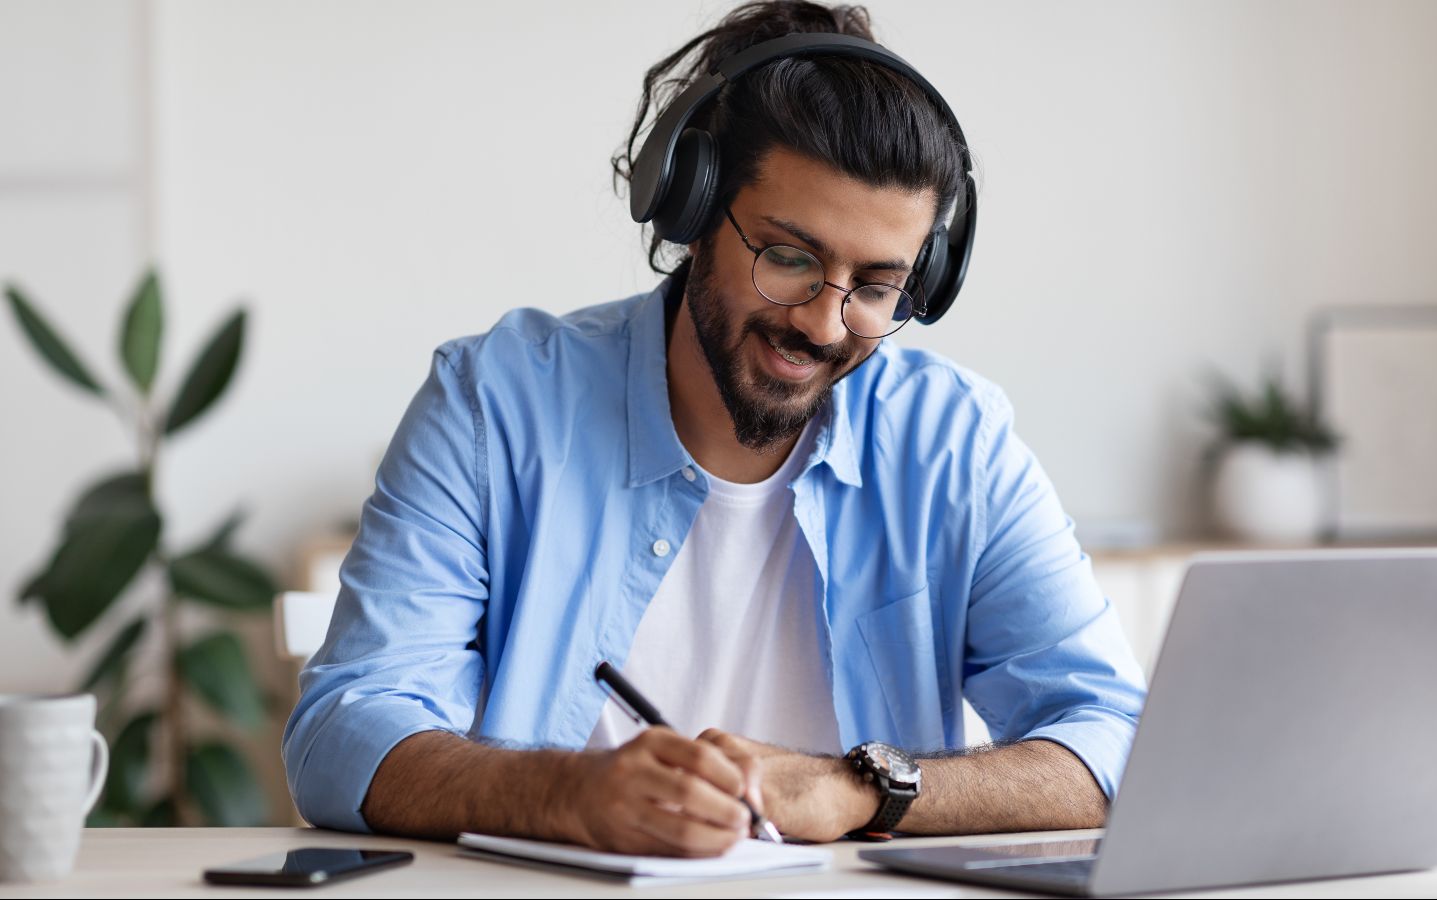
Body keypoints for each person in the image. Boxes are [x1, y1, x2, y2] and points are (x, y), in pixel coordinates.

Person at [284, 0, 1145, 858]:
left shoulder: (955, 442)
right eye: (790, 258)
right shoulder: (493, 405)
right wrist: (570, 795)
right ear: (690, 213)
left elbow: (1115, 738)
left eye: (877, 287)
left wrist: (855, 787)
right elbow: (342, 734)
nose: (824, 322)